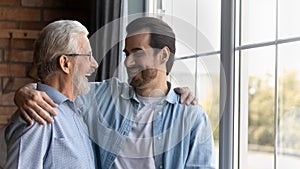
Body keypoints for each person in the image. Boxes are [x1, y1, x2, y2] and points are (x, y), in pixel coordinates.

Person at [10, 17, 215, 169]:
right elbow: (57, 90)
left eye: (137, 52)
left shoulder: (192, 116)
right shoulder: (105, 95)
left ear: (163, 55)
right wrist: (25, 92)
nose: (127, 62)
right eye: (127, 53)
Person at [4, 20, 98, 168]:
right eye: (88, 56)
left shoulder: (75, 111)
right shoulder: (37, 117)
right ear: (65, 63)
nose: (94, 64)